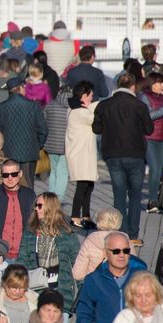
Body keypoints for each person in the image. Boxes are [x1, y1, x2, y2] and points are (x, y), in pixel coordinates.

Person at [93, 73, 153, 245]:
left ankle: (122, 232)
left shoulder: (104, 105)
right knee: (135, 195)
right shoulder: (139, 106)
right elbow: (148, 129)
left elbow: (96, 128)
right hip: (135, 154)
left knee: (119, 195)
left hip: (113, 154)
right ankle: (133, 235)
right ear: (133, 86)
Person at [17, 193, 81, 307]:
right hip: (34, 294)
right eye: (35, 206)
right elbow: (22, 261)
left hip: (61, 294)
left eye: (40, 206)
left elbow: (78, 266)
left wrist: (82, 294)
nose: (36, 209)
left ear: (50, 208)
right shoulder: (30, 232)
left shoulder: (67, 235)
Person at [0, 77, 48, 186]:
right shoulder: (33, 106)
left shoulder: (0, 108)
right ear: (20, 88)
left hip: (8, 152)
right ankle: (28, 203)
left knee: (9, 183)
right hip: (29, 153)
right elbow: (43, 130)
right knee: (28, 184)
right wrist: (38, 145)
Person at [66, 82, 100, 228]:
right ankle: (75, 216)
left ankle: (86, 216)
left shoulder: (75, 110)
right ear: (84, 96)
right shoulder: (80, 112)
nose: (92, 98)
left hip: (83, 154)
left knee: (88, 185)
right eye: (91, 96)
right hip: (81, 156)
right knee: (82, 187)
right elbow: (95, 119)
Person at [138, 72, 163, 212]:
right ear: (151, 83)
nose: (161, 85)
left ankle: (158, 199)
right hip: (150, 137)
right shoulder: (144, 97)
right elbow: (149, 115)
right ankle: (152, 201)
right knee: (155, 168)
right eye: (158, 83)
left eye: (162, 83)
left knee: (159, 170)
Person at [72, 208, 124, 283]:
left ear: (99, 222)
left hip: (94, 286)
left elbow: (77, 274)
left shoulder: (90, 241)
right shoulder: (125, 241)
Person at [43, 86, 72, 203]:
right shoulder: (73, 106)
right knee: (63, 172)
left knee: (54, 171)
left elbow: (44, 123)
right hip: (67, 144)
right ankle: (58, 198)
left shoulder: (50, 105)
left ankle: (51, 195)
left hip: (51, 143)